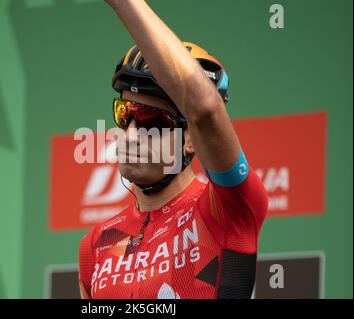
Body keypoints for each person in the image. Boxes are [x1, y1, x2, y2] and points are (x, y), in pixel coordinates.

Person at [78, 0, 268, 299]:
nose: (130, 135)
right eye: (125, 113)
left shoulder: (229, 208)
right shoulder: (97, 242)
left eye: (151, 120)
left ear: (191, 137)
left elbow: (205, 109)